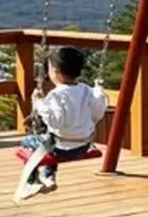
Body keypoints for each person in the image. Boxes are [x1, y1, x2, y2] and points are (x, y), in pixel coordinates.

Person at [22, 47, 109, 195]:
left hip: (60, 149)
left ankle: (32, 181)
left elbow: (55, 121)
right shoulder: (87, 91)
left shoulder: (56, 96)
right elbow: (97, 113)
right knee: (49, 142)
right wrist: (98, 91)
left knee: (29, 141)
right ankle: (47, 176)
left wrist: (38, 103)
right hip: (83, 146)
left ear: (55, 71)